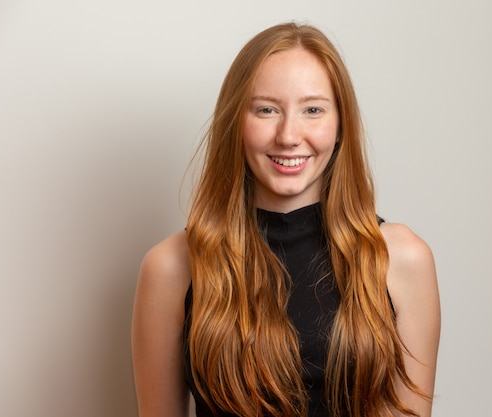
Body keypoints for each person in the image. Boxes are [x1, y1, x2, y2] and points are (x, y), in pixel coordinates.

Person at [131, 22, 440, 417]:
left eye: (313, 110)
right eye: (266, 110)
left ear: (340, 123)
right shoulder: (172, 267)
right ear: (235, 123)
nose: (289, 135)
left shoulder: (403, 259)